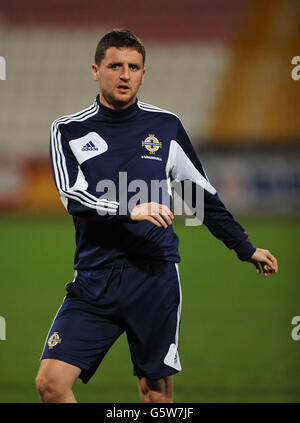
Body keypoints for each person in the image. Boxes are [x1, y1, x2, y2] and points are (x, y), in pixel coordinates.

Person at [35, 29, 278, 403]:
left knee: (155, 396)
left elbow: (202, 195)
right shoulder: (68, 130)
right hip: (94, 280)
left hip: (154, 278)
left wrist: (245, 247)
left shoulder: (166, 127)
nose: (125, 74)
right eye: (115, 66)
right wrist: (129, 210)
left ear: (143, 74)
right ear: (95, 71)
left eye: (133, 67)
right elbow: (71, 195)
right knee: (50, 384)